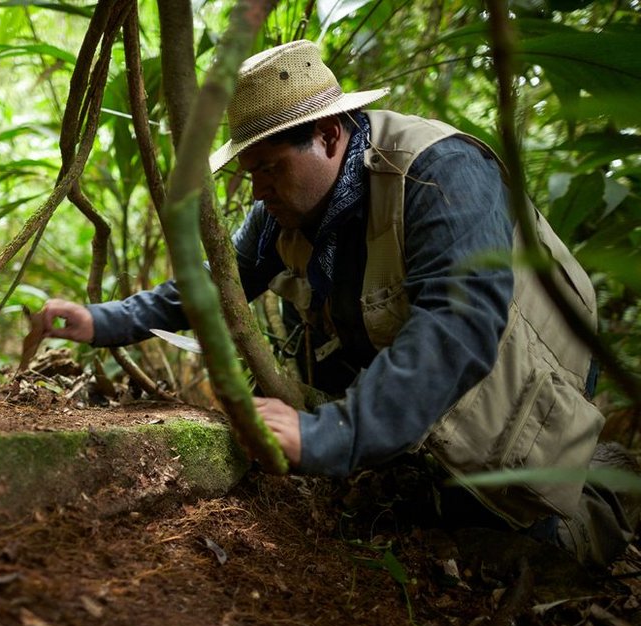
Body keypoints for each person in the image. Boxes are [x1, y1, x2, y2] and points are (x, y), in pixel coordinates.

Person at [39, 40, 637, 569]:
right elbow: (218, 286)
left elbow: (456, 328)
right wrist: (104, 320)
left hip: (525, 377)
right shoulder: (284, 205)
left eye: (269, 168)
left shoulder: (440, 173)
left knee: (528, 537)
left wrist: (329, 435)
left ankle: (610, 488)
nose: (258, 189)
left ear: (328, 136)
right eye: (250, 173)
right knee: (430, 519)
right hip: (433, 396)